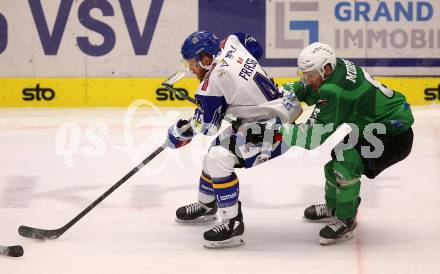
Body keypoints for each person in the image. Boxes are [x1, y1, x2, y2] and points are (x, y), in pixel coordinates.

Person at [166, 31, 302, 248]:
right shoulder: (232, 43)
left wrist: (180, 132)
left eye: (193, 63)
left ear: (206, 58)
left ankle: (232, 224)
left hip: (273, 131)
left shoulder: (211, 84)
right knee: (216, 149)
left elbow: (208, 126)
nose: (191, 69)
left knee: (218, 159)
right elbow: (254, 45)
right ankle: (207, 205)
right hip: (275, 113)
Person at [280, 42, 414, 245]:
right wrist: (286, 91)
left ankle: (346, 218)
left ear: (325, 69)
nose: (307, 79)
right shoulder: (336, 66)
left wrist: (277, 130)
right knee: (335, 161)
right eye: (304, 74)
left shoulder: (335, 90)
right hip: (373, 126)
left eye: (310, 74)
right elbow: (313, 88)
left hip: (394, 134)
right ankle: (334, 207)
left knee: (346, 164)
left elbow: (311, 137)